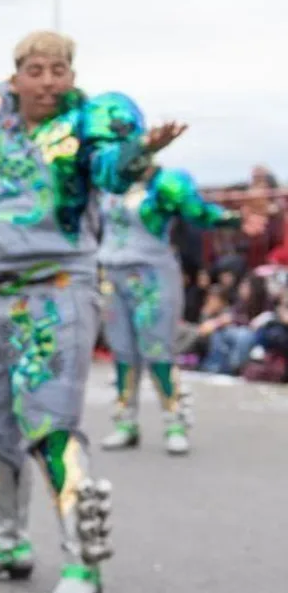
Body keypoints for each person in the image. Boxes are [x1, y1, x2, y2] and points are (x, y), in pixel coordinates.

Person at [0, 0, 181, 593]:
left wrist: (141, 154)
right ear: (16, 77)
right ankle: (4, 543)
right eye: (34, 70)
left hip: (59, 290)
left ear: (71, 76)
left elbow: (113, 172)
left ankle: (83, 563)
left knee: (48, 424)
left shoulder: (87, 131)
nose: (46, 81)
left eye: (58, 70)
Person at [99, 164, 241, 455]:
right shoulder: (108, 181)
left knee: (157, 350)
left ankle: (174, 422)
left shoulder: (165, 184)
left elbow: (198, 212)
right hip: (112, 276)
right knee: (123, 351)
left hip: (152, 275)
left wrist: (232, 219)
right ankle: (125, 422)